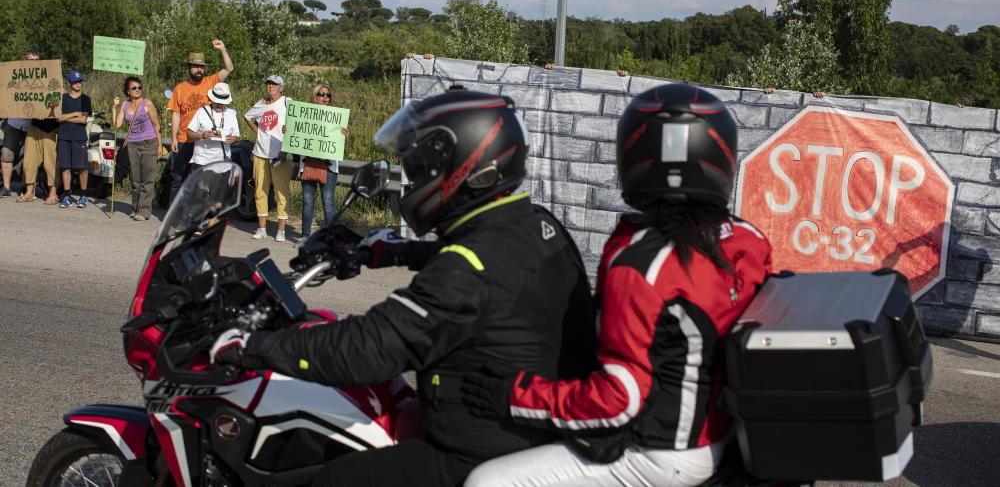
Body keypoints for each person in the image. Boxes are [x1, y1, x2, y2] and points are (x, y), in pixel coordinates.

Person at [211, 88, 597, 486]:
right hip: (529, 433)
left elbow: (368, 348)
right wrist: (392, 251)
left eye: (419, 169)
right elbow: (488, 269)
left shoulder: (464, 272)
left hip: (473, 453)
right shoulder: (535, 225)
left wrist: (251, 347)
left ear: (464, 167)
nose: (411, 180)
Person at [461, 84, 774, 487]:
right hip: (719, 431)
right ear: (720, 156)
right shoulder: (746, 239)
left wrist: (516, 395)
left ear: (635, 156)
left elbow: (618, 399)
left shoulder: (642, 265)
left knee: (487, 482)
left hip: (663, 452)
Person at [166, 40, 233, 202]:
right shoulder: (180, 88)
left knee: (200, 182)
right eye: (195, 66)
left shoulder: (211, 82)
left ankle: (194, 215)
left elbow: (229, 68)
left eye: (202, 67)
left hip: (205, 141)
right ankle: (174, 216)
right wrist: (174, 138)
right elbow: (176, 114)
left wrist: (223, 49)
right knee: (178, 179)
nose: (199, 69)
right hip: (184, 139)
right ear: (188, 68)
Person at [297, 83, 350, 241]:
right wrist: (289, 131)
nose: (325, 97)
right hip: (308, 164)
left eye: (328, 95)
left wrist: (344, 137)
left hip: (329, 167)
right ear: (315, 96)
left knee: (328, 202)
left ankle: (330, 239)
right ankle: (305, 236)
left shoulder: (337, 117)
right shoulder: (304, 115)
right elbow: (298, 138)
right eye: (322, 94)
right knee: (307, 202)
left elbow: (337, 145)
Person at [244, 75, 291, 242]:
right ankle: (262, 228)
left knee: (281, 192)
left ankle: (281, 230)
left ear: (281, 87)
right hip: (260, 153)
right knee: (260, 191)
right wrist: (258, 132)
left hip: (280, 155)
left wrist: (289, 133)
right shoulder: (261, 103)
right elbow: (247, 117)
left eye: (274, 84)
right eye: (269, 84)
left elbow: (297, 123)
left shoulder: (287, 102)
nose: (271, 87)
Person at [113, 76, 163, 220]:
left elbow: (156, 126)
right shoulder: (124, 105)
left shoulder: (147, 104)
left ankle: (144, 211)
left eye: (139, 87)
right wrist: (114, 108)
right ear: (128, 91)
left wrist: (159, 145)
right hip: (133, 145)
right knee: (135, 178)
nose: (137, 90)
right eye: (134, 88)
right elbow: (116, 125)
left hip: (149, 143)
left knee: (147, 178)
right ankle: (135, 208)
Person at [1, 50, 40, 197]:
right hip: (14, 121)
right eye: (31, 60)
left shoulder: (44, 78)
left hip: (33, 124)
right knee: (6, 154)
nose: (34, 63)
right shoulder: (14, 75)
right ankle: (6, 187)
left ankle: (27, 187)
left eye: (36, 61)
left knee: (31, 158)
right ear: (24, 61)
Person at [56, 70, 93, 208]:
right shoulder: (62, 98)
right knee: (65, 167)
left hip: (79, 137)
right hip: (64, 137)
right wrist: (74, 114)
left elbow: (83, 120)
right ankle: (66, 196)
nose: (78, 84)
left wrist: (66, 117)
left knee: (82, 167)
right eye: (75, 81)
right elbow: (58, 118)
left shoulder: (86, 99)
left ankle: (83, 196)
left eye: (79, 81)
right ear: (69, 82)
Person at [18, 92, 60, 205]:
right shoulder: (38, 88)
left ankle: (53, 194)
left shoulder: (60, 93)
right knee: (29, 161)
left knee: (50, 164)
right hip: (34, 126)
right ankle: (29, 193)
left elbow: (60, 114)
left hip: (51, 128)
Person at [186, 82, 240, 171]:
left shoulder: (231, 113)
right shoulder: (201, 112)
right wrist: (201, 136)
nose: (219, 104)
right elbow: (189, 134)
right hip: (202, 162)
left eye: (222, 102)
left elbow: (236, 135)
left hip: (223, 162)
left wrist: (232, 139)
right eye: (217, 101)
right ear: (212, 99)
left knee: (222, 185)